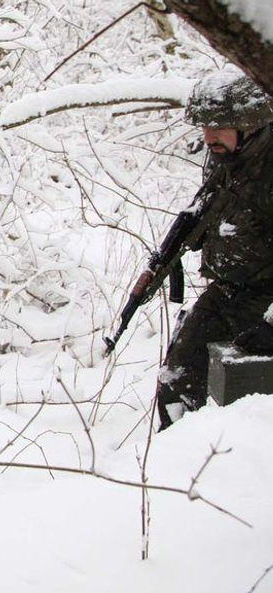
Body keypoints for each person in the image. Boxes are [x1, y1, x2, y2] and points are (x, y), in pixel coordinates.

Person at [156, 71, 273, 430]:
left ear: (249, 125)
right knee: (176, 380)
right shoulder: (225, 158)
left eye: (219, 126)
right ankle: (171, 462)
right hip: (226, 293)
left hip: (265, 303)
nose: (208, 137)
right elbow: (206, 206)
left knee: (239, 403)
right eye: (204, 126)